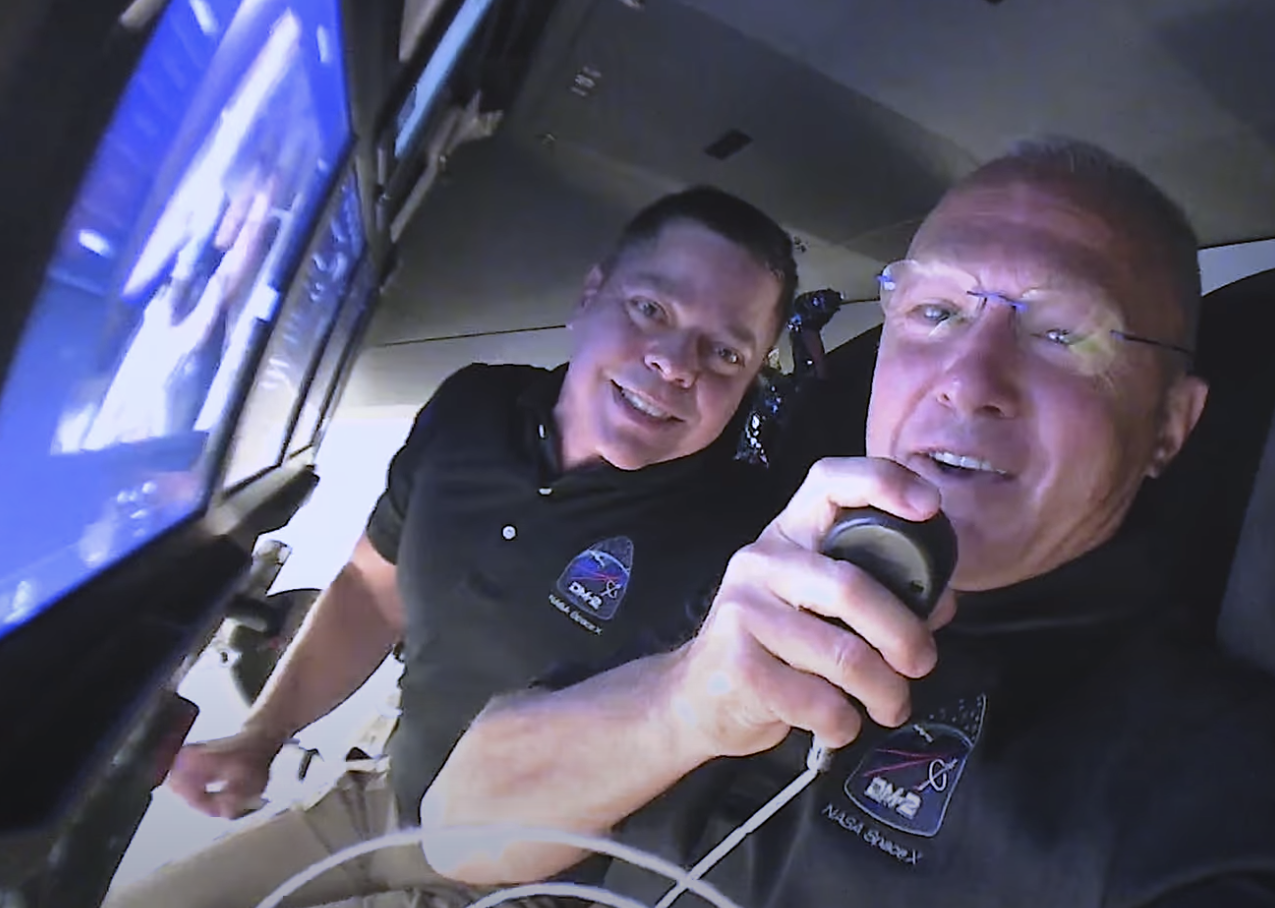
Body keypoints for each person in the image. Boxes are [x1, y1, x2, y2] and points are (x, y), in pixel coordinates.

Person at [421, 138, 1275, 906]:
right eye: (936, 313)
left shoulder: (1210, 784)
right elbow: (459, 834)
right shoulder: (761, 579)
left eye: (1065, 334)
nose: (968, 378)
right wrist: (683, 706)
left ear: (1170, 428)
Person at [106, 185, 800, 908]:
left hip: (532, 884)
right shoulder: (473, 407)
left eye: (724, 352)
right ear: (591, 294)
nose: (677, 364)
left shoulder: (747, 545)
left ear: (749, 383)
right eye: (651, 310)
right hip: (381, 803)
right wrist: (263, 735)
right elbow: (374, 588)